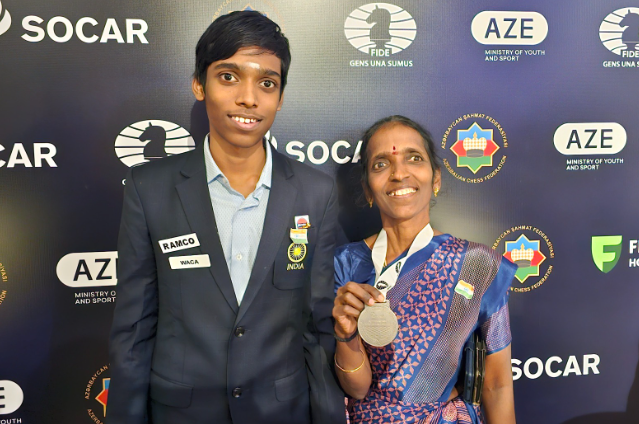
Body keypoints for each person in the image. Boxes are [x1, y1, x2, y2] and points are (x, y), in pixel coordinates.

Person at [107, 11, 345, 424]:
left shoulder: (315, 192)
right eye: (229, 77)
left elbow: (317, 327)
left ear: (281, 96)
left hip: (282, 411)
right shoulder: (150, 188)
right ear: (199, 85)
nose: (249, 98)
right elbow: (134, 328)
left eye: (266, 83)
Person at [332, 116, 517, 424]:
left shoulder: (476, 265)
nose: (399, 173)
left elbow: (497, 385)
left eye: (414, 158)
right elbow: (358, 388)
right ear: (367, 190)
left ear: (436, 180)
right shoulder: (344, 265)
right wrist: (345, 335)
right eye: (381, 164)